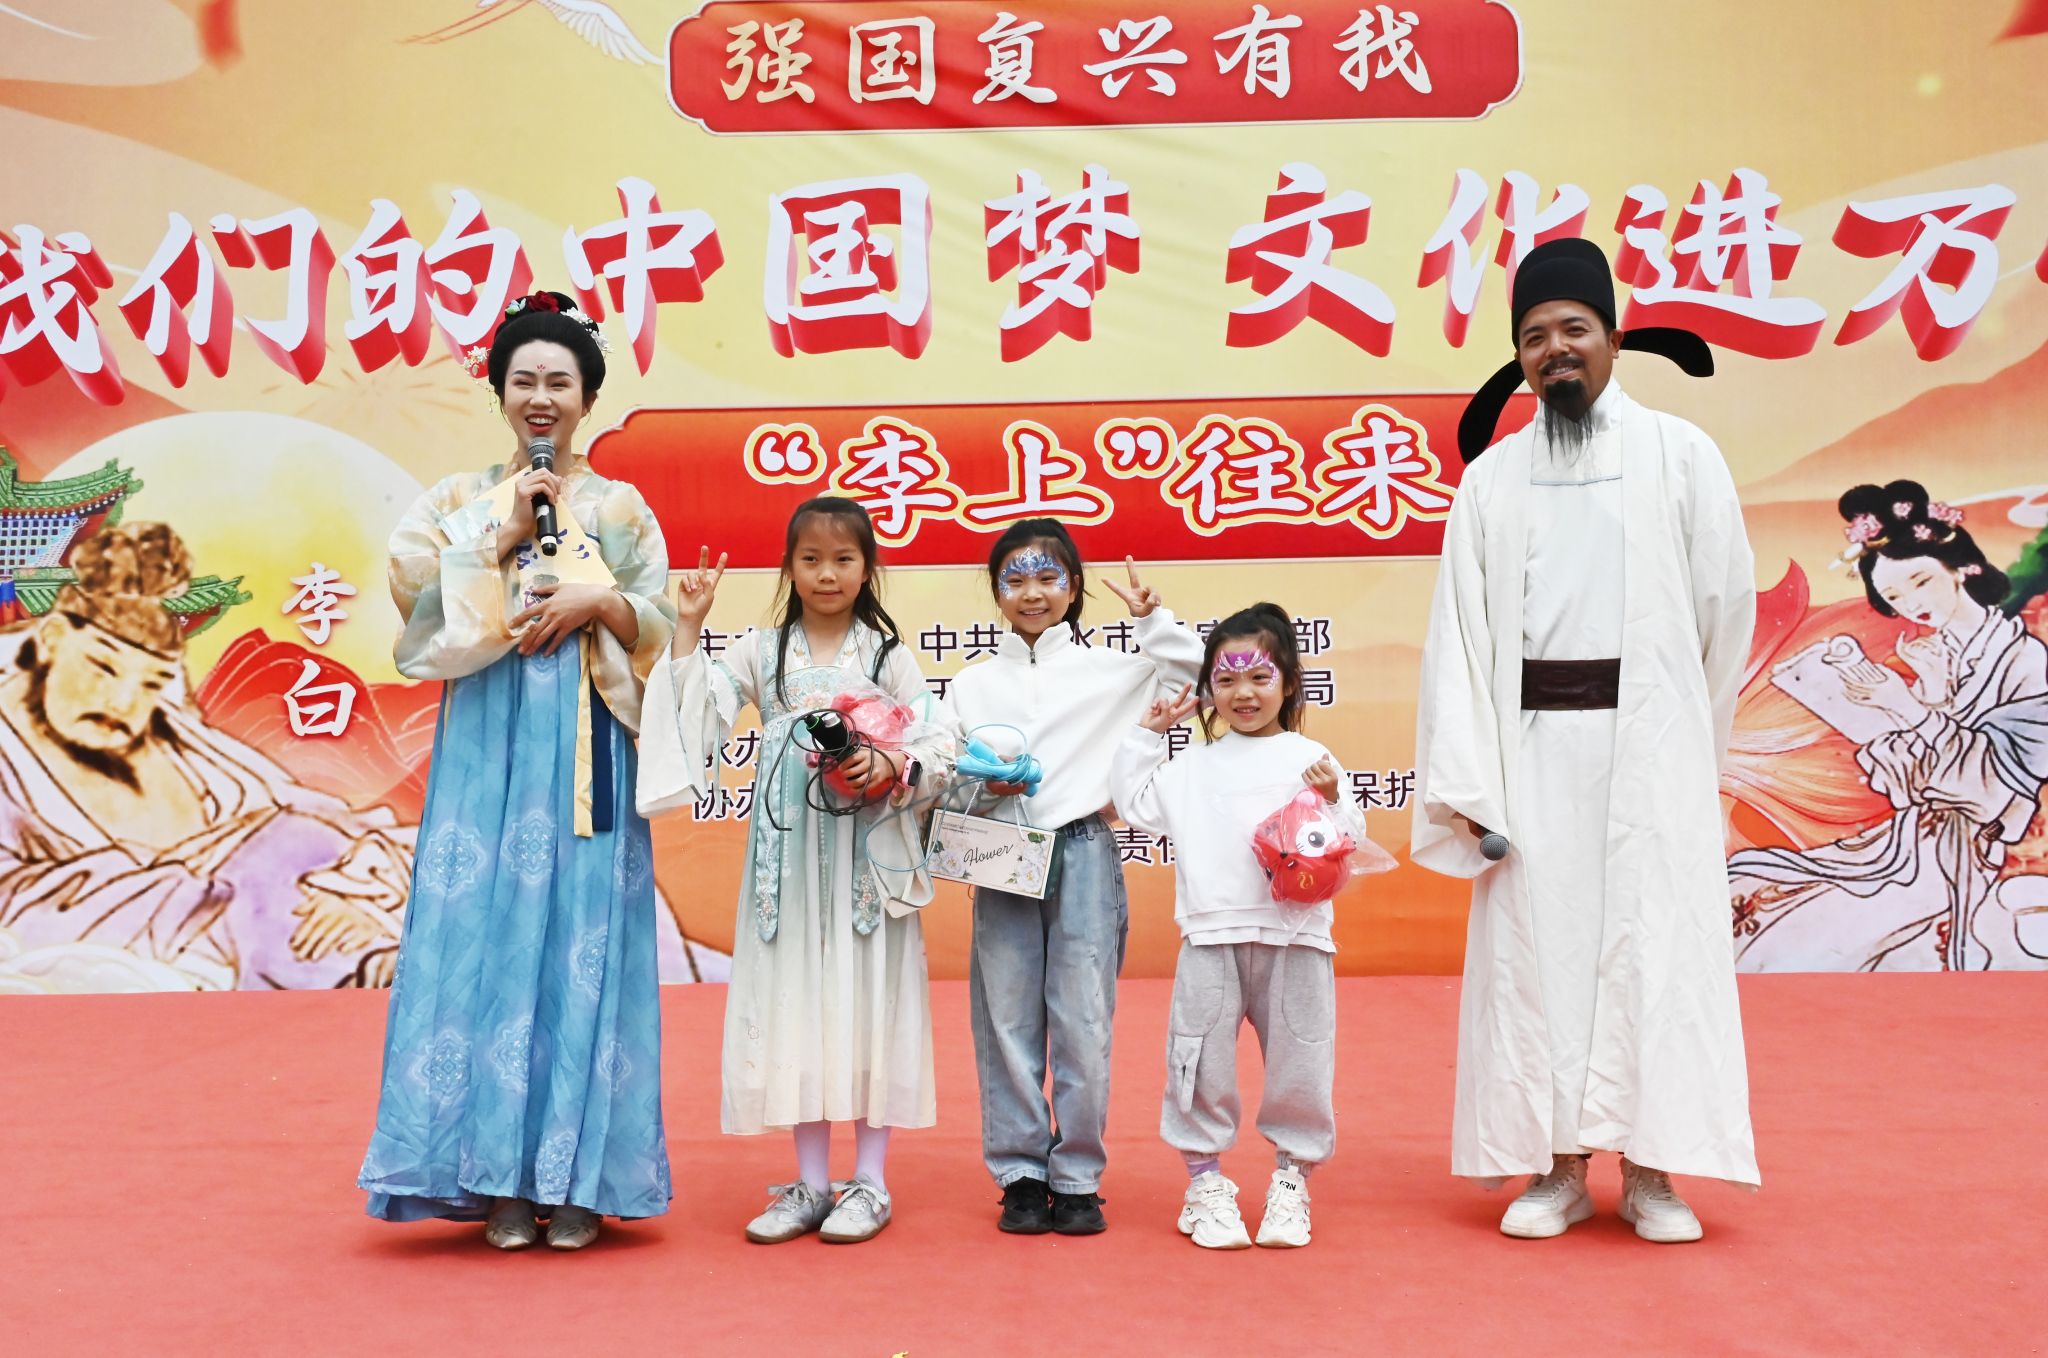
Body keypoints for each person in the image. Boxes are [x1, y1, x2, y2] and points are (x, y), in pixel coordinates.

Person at [1412, 237, 1759, 1243]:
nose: (1554, 349)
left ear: (1611, 334)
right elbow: (1458, 637)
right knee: (1542, 961)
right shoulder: (1490, 481)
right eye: (1533, 336)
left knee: (1654, 953)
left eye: (1572, 328)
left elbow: (1722, 613)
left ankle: (1651, 1172)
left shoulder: (1680, 456)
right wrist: (1471, 780)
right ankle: (1558, 1169)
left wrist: (1685, 743)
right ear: (1518, 357)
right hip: (1532, 758)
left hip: (1649, 746)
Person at [356, 290, 677, 1251]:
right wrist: (494, 541)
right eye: (525, 380)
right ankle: (493, 1177)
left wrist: (599, 604)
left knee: (582, 948)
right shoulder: (455, 502)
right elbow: (412, 596)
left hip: (584, 753)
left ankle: (576, 1181)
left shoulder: (620, 508)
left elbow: (661, 625)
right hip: (485, 749)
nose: (542, 398)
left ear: (588, 399)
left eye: (560, 382)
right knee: (483, 940)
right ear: (500, 392)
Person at [636, 497, 955, 1245]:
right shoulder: (762, 651)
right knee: (798, 1001)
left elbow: (940, 739)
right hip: (786, 868)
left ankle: (870, 1181)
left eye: (843, 559)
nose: (827, 574)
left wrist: (891, 763)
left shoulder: (887, 657)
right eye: (810, 559)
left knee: (868, 996)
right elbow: (698, 712)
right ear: (789, 568)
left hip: (865, 863)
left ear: (867, 568)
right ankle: (811, 1184)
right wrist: (689, 626)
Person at [0, 521, 411, 992]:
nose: (122, 702)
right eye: (102, 668)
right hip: (211, 927)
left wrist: (359, 887)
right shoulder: (9, 756)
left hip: (318, 894)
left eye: (151, 684)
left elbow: (304, 812)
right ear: (53, 639)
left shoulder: (176, 737)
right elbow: (18, 902)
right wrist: (224, 895)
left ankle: (377, 963)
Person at [943, 522, 1202, 1235]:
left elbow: (1199, 677)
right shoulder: (970, 684)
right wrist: (982, 788)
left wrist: (1152, 619)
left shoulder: (1114, 669)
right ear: (996, 591)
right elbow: (941, 775)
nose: (1032, 593)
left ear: (1074, 587)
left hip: (1083, 847)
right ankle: (1022, 1174)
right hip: (1000, 851)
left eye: (1047, 578)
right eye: (1015, 579)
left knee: (1083, 1019)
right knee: (1005, 1020)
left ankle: (1078, 1176)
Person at [1110, 603, 1373, 1250]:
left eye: (1259, 677)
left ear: (1289, 681)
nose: (1243, 693)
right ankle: (1205, 1184)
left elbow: (1349, 842)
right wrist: (1145, 736)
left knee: (1301, 1064)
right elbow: (1133, 806)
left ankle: (1292, 1183)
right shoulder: (1191, 766)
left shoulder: (1311, 757)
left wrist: (1332, 800)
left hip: (1297, 938)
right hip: (1210, 938)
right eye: (1226, 680)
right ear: (1207, 689)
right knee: (1198, 1065)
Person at [1730, 481, 2048, 971]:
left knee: (1797, 939)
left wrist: (1910, 710)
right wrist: (1881, 707)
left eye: (1920, 581)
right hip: (1907, 841)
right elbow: (1909, 782)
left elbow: (1996, 791)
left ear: (1960, 567)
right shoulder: (1934, 656)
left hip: (1966, 854)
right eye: (1893, 595)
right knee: (1750, 890)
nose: (1911, 603)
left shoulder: (2023, 659)